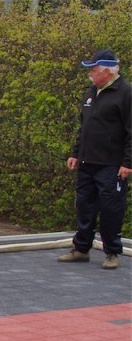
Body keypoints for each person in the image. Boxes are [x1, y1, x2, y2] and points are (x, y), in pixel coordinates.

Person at [58, 49, 131, 270]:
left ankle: (112, 252)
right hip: (87, 161)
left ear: (107, 72)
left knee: (111, 209)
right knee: (84, 206)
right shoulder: (90, 93)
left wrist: (128, 163)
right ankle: (81, 248)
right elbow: (84, 127)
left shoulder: (126, 93)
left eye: (94, 70)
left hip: (111, 164)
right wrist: (75, 152)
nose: (90, 74)